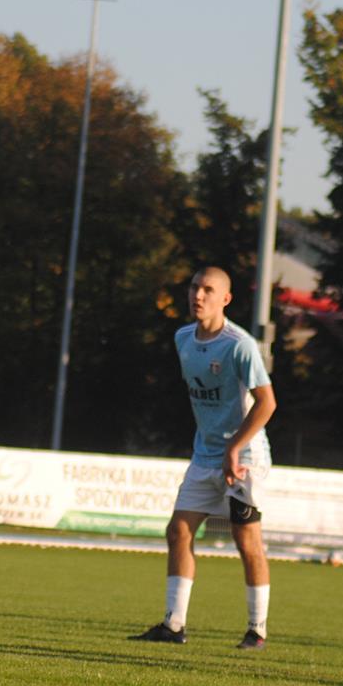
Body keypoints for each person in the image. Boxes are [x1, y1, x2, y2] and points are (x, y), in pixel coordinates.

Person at [131, 267, 277, 650]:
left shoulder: (239, 344)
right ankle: (174, 624)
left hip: (244, 456)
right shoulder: (183, 338)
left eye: (208, 290)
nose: (198, 295)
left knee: (247, 542)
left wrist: (233, 447)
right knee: (178, 531)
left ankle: (256, 630)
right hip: (205, 454)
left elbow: (267, 403)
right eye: (195, 287)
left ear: (225, 299)